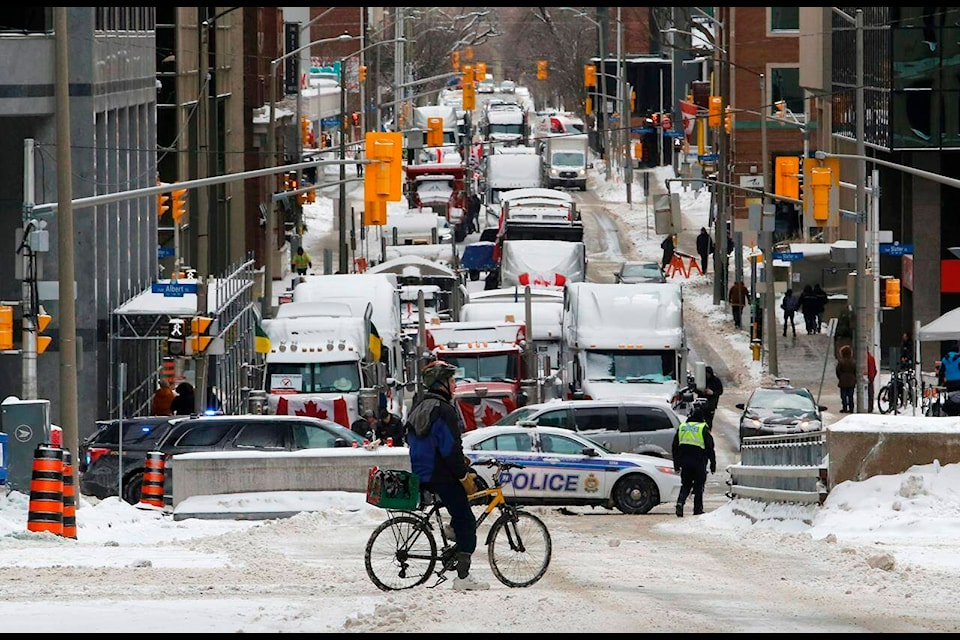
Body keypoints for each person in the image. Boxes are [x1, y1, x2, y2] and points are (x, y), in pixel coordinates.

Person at [407, 360, 489, 591]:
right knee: (467, 520)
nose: (454, 385)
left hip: (425, 472)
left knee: (459, 509)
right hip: (441, 474)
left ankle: (452, 530)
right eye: (452, 381)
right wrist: (463, 475)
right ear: (441, 383)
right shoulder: (444, 410)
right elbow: (450, 448)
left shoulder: (420, 406)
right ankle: (463, 579)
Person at [672, 403, 716, 518]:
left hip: (684, 462)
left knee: (685, 484)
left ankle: (680, 502)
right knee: (698, 485)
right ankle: (697, 509)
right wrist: (713, 464)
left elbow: (675, 447)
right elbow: (710, 448)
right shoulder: (703, 428)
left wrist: (676, 465)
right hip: (699, 462)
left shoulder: (682, 427)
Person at [836, 344, 857, 413]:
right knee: (850, 395)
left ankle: (844, 407)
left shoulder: (841, 362)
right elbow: (855, 371)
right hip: (851, 381)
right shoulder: (853, 362)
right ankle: (851, 408)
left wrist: (840, 377)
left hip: (843, 381)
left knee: (843, 396)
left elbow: (838, 371)